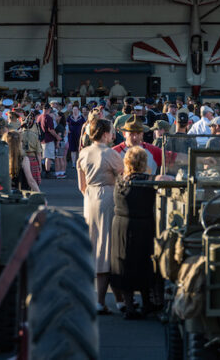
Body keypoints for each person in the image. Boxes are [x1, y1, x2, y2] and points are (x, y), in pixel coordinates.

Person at [77, 119, 124, 314]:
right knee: (108, 248)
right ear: (105, 134)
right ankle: (102, 300)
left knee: (96, 245)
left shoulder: (84, 153)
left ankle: (116, 300)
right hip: (108, 198)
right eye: (111, 132)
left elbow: (81, 186)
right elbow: (124, 177)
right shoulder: (110, 153)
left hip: (90, 199)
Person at [109, 146, 156, 319]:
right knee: (144, 262)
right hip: (143, 225)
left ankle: (129, 306)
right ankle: (147, 303)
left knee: (124, 264)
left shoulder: (120, 181)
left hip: (122, 225)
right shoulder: (148, 181)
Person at [0, 119, 39, 192]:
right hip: (22, 192)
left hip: (5, 192)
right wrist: (39, 193)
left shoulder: (1, 157)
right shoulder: (23, 159)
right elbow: (30, 180)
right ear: (19, 143)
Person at [35, 104, 60, 178]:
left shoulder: (39, 117)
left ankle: (40, 172)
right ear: (49, 109)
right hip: (48, 139)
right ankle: (47, 172)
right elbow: (50, 129)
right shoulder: (48, 117)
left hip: (40, 139)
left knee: (41, 157)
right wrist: (57, 136)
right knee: (48, 157)